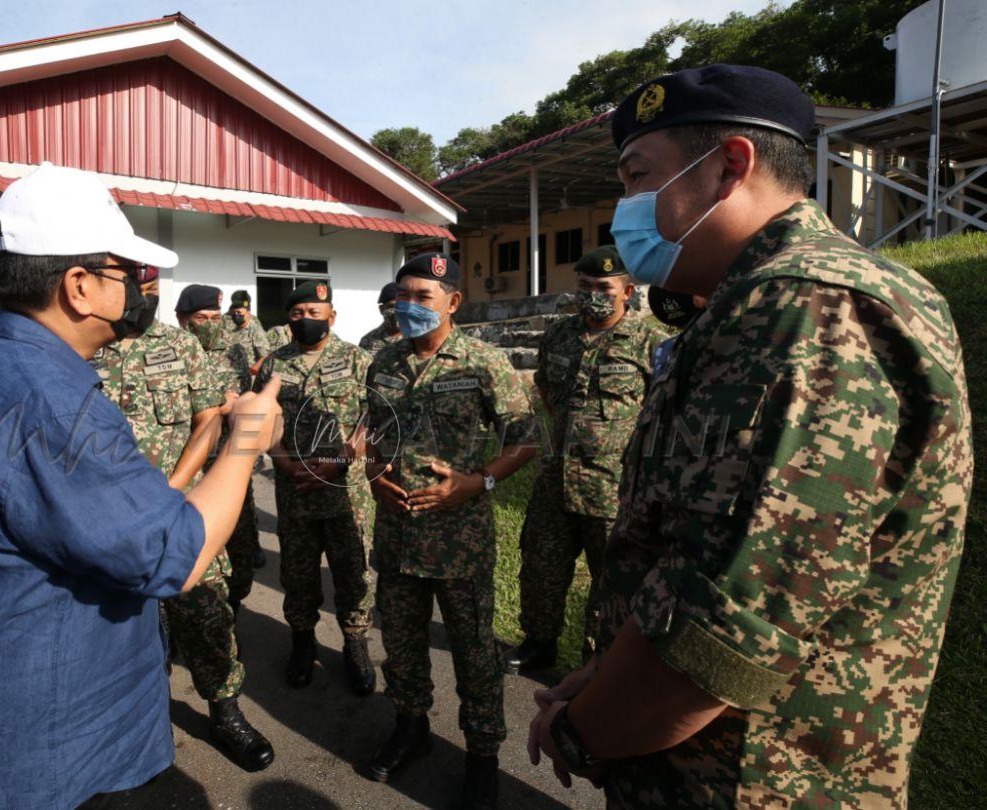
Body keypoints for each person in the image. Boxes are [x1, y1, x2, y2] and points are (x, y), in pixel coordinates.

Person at [527, 65, 972, 809]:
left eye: (638, 177)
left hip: (755, 778)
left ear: (730, 166)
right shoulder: (752, 305)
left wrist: (581, 730)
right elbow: (687, 545)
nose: (623, 210)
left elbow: (728, 631)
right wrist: (606, 678)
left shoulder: (803, 309)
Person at [0, 163, 282, 809]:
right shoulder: (45, 397)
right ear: (79, 285)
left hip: (38, 712)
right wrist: (247, 439)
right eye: (126, 274)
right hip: (40, 749)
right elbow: (174, 555)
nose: (137, 290)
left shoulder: (4, 362)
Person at [363, 253, 536, 809]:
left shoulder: (484, 362)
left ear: (453, 302)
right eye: (403, 295)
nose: (409, 306)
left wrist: (476, 482)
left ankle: (482, 757)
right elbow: (374, 436)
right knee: (402, 646)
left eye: (423, 297)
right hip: (397, 534)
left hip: (459, 538)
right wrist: (371, 472)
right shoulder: (382, 362)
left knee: (474, 654)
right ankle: (410, 728)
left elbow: (526, 440)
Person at [93, 270, 274, 772]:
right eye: (136, 292)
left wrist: (174, 488)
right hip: (106, 520)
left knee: (206, 615)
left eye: (151, 293)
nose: (141, 302)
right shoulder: (86, 345)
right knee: (117, 626)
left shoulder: (180, 346)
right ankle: (135, 721)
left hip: (180, 511)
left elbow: (209, 418)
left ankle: (225, 710)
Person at [507, 247, 665, 673]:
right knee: (541, 566)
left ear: (627, 291)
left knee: (609, 579)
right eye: (584, 286)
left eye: (603, 288)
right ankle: (539, 643)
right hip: (555, 479)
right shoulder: (559, 335)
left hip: (612, 487)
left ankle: (598, 659)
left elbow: (662, 410)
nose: (592, 295)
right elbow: (545, 391)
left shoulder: (651, 342)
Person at [253, 280, 376, 694]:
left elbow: (371, 420)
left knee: (353, 573)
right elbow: (262, 419)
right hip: (296, 492)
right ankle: (302, 641)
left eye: (314, 313)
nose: (306, 320)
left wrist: (341, 461)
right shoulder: (274, 365)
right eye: (297, 314)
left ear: (332, 316)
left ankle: (355, 642)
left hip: (346, 495)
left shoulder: (359, 361)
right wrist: (286, 464)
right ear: (288, 318)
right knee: (297, 571)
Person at [176, 285, 262, 615]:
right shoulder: (171, 350)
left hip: (229, 464)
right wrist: (214, 403)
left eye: (216, 317)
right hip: (190, 467)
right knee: (194, 549)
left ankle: (234, 607)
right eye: (201, 317)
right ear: (183, 319)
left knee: (240, 547)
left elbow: (246, 399)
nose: (211, 324)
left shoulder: (235, 350)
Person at [225, 289, 271, 366]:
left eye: (239, 312)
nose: (236, 315)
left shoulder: (254, 325)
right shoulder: (224, 320)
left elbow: (264, 357)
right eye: (235, 312)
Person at [358, 281, 403, 355]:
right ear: (381, 309)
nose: (395, 311)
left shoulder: (417, 339)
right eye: (391, 306)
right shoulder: (368, 340)